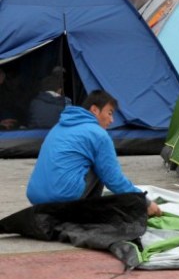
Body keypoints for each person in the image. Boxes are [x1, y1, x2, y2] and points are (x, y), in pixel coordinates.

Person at [26, 90, 161, 217]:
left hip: (36, 199)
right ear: (95, 110)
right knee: (101, 166)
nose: (112, 120)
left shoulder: (58, 126)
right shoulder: (98, 134)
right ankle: (89, 212)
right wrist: (145, 202)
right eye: (109, 113)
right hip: (63, 201)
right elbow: (114, 180)